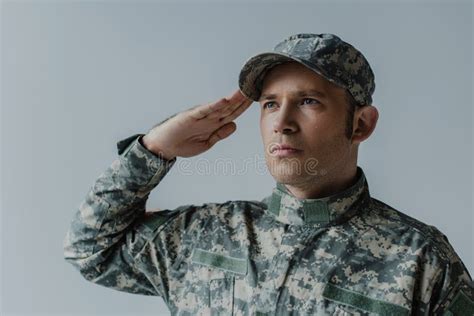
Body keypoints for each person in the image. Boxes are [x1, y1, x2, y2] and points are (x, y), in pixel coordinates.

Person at [63, 33, 473, 315]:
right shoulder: (203, 236)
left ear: (361, 124)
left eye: (308, 101)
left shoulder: (418, 260)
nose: (282, 123)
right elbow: (90, 251)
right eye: (270, 104)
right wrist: (153, 150)